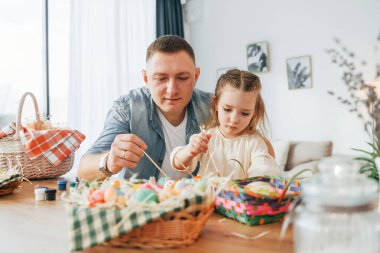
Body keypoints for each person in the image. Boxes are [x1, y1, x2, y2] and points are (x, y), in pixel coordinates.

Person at [77, 35, 212, 181]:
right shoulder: (127, 108)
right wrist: (109, 161)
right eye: (161, 78)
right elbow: (83, 171)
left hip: (200, 202)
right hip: (142, 202)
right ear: (146, 78)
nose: (172, 90)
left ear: (196, 77)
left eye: (182, 78)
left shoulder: (215, 107)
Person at [170, 69, 280, 179]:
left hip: (240, 196)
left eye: (245, 113)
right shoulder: (207, 138)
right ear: (216, 103)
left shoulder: (255, 142)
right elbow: (178, 164)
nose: (234, 119)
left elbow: (263, 172)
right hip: (210, 195)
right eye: (227, 109)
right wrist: (190, 150)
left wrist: (265, 170)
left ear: (254, 112)